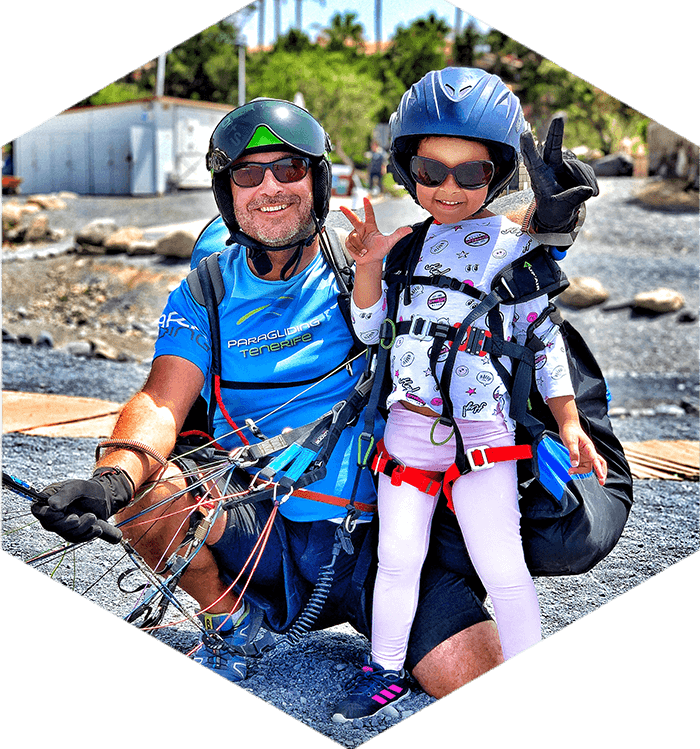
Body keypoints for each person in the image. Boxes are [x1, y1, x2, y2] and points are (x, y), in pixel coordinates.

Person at [30, 93, 599, 714]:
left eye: (289, 169)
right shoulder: (206, 289)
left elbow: (467, 239)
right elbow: (161, 398)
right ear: (227, 192)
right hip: (251, 531)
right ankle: (231, 618)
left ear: (317, 180)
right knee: (149, 490)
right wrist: (110, 481)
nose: (269, 187)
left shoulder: (365, 265)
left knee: (467, 670)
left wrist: (550, 223)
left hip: (371, 541)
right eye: (249, 173)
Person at [333, 67, 607, 720]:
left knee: (502, 566)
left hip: (485, 437)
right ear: (408, 168)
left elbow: (543, 340)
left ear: (499, 174)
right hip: (407, 431)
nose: (448, 188)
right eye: (431, 170)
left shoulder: (516, 246)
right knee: (397, 560)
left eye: (470, 173)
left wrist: (569, 424)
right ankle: (386, 670)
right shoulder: (404, 247)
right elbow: (371, 328)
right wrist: (369, 264)